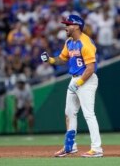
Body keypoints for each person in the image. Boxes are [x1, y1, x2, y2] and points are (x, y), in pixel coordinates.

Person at [40, 14, 103, 158]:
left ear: (76, 26)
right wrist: (49, 60)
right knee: (69, 113)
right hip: (75, 79)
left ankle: (97, 149)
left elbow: (90, 68)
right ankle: (70, 146)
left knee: (89, 114)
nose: (65, 26)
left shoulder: (85, 43)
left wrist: (79, 83)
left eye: (68, 24)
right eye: (65, 24)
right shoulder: (69, 42)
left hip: (86, 79)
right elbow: (62, 59)